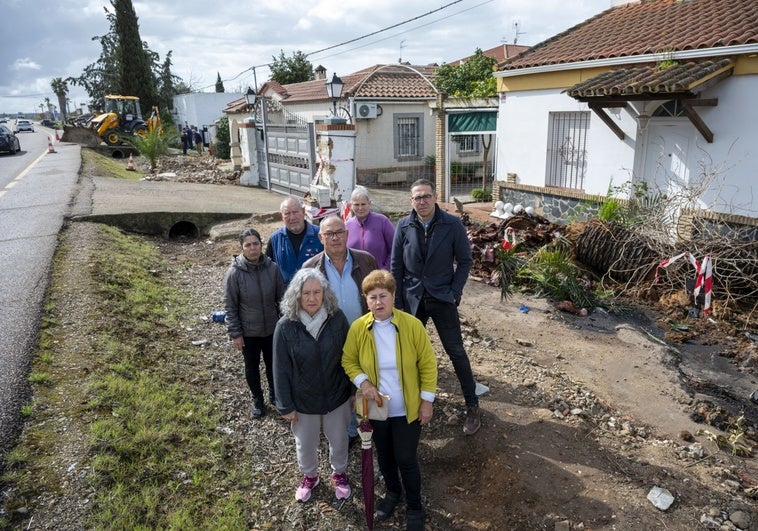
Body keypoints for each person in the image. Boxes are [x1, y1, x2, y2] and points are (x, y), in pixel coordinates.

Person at [342, 269, 437, 531]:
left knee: (406, 458)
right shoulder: (359, 328)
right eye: (372, 297)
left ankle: (415, 506)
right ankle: (393, 493)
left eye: (383, 295)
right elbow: (348, 360)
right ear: (366, 300)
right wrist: (364, 382)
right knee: (384, 456)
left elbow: (428, 364)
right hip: (377, 408)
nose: (378, 302)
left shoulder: (411, 325)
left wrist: (426, 400)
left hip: (407, 408)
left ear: (394, 296)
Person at [391, 178, 481, 435]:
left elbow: (465, 261)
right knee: (409, 353)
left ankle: (472, 406)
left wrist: (454, 292)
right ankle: (412, 400)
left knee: (456, 351)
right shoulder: (404, 226)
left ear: (435, 196)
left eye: (426, 196)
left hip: (442, 298)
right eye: (417, 197)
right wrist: (398, 302)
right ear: (411, 201)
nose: (422, 201)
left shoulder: (452, 225)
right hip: (412, 300)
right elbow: (396, 265)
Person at [273, 268, 353, 503]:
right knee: (305, 444)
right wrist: (286, 405)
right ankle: (310, 476)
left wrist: (351, 391)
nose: (311, 298)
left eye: (317, 292)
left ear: (324, 293)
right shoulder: (286, 326)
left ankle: (339, 473)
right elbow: (280, 369)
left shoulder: (337, 318)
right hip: (303, 400)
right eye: (306, 293)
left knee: (339, 440)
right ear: (296, 295)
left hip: (336, 397)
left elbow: (348, 357)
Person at [302, 215, 378, 445]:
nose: (335, 238)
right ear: (320, 237)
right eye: (329, 234)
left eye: (339, 232)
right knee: (339, 383)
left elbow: (377, 294)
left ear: (347, 234)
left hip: (364, 335)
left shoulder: (366, 261)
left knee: (366, 379)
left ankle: (372, 422)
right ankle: (349, 429)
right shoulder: (310, 268)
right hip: (329, 339)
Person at [223, 229, 285, 419]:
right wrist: (235, 333)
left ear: (261, 244)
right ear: (241, 248)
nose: (252, 248)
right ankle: (257, 399)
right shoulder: (234, 273)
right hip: (248, 332)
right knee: (251, 366)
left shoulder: (272, 268)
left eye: (255, 244)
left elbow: (282, 298)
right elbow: (230, 305)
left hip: (271, 329)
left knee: (273, 365)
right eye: (248, 245)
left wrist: (285, 324)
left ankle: (275, 395)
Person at [265, 196, 323, 285]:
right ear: (282, 216)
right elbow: (267, 271)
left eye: (295, 212)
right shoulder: (275, 239)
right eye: (287, 213)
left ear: (303, 211)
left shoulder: (320, 235)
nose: (292, 217)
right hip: (285, 296)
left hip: (313, 295)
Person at [345, 186, 395, 270]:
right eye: (356, 204)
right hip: (354, 277)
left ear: (370, 203)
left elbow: (395, 249)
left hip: (379, 276)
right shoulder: (346, 226)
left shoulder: (382, 221)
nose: (360, 208)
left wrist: (385, 268)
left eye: (363, 204)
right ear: (351, 206)